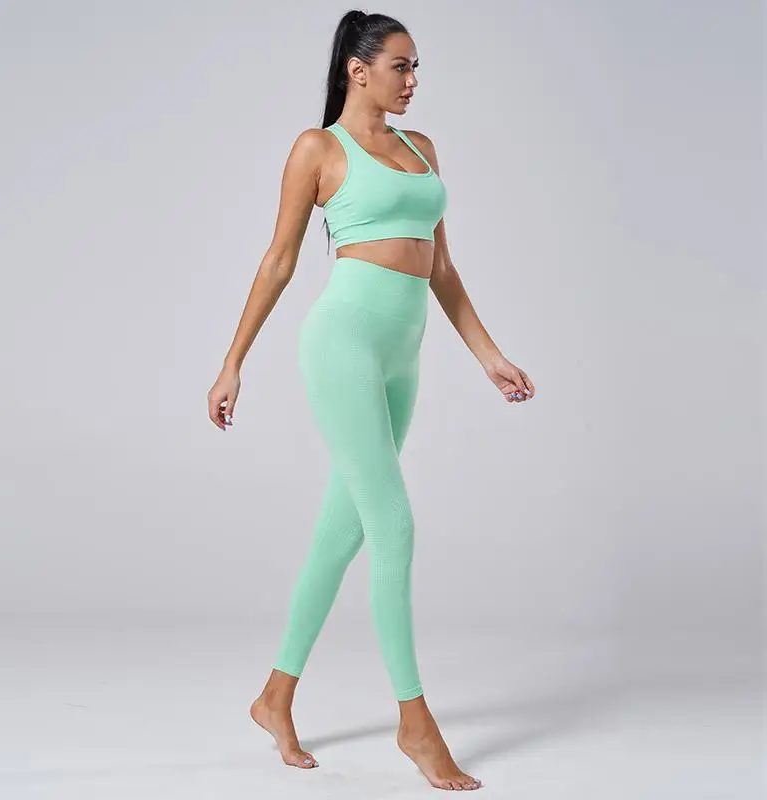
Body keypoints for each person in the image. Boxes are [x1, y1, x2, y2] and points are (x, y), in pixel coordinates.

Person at [207, 9, 535, 792]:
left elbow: (441, 268)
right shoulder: (318, 148)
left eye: (416, 66)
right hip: (344, 344)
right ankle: (415, 724)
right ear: (358, 70)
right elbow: (279, 260)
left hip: (402, 356)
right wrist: (232, 363)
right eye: (401, 65)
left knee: (343, 530)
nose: (413, 80)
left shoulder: (423, 151)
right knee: (393, 524)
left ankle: (274, 697)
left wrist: (489, 356)